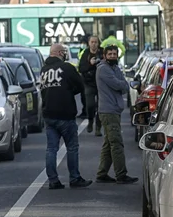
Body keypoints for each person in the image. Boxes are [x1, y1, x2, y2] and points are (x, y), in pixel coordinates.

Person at [40, 43, 93, 190]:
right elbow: (80, 85)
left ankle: (53, 180)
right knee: (72, 147)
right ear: (58, 53)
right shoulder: (67, 68)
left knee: (51, 149)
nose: (65, 54)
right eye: (63, 52)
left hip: (49, 114)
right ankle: (74, 178)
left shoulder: (44, 70)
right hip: (65, 113)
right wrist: (69, 92)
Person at [96, 45, 138, 185]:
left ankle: (102, 174)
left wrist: (122, 84)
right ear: (104, 55)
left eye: (115, 54)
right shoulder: (103, 69)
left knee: (109, 143)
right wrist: (122, 84)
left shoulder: (114, 68)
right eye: (110, 54)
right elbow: (119, 85)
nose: (113, 56)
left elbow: (125, 86)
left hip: (114, 110)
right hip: (108, 111)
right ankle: (121, 174)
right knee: (116, 144)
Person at [78, 35, 103, 136]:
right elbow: (81, 68)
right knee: (90, 105)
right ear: (89, 43)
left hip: (101, 83)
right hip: (89, 83)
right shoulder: (85, 53)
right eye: (92, 42)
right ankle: (90, 120)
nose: (94, 44)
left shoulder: (102, 52)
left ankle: (98, 127)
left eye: (95, 42)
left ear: (98, 43)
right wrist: (90, 64)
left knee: (100, 107)